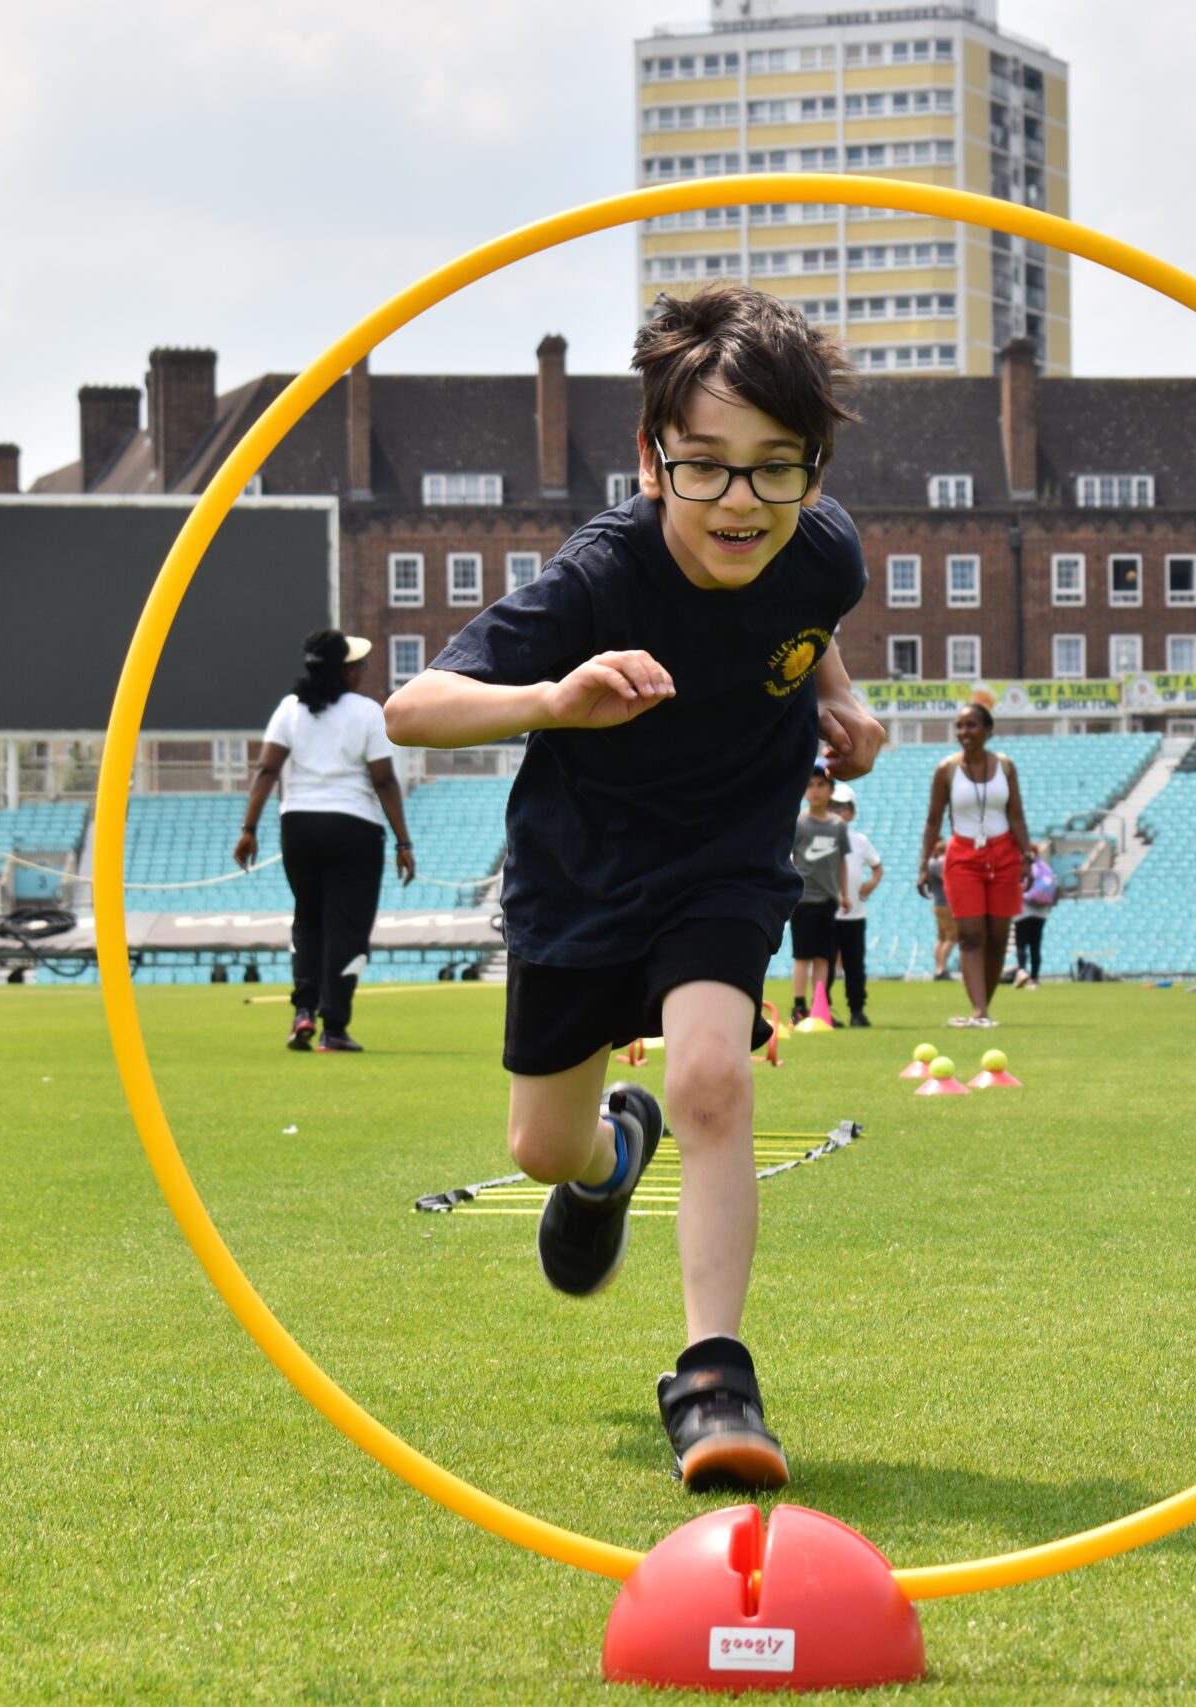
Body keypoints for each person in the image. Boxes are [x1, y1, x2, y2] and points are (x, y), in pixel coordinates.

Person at [383, 283, 884, 1492]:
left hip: (723, 863)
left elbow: (808, 624)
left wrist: (843, 705)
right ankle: (614, 1152)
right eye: (706, 467)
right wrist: (552, 699)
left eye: (777, 470)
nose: (741, 502)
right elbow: (413, 708)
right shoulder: (595, 581)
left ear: (814, 472)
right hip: (580, 877)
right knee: (540, 1149)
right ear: (653, 461)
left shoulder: (825, 549)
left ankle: (713, 1380)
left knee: (714, 1076)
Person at [233, 629, 416, 1054]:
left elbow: (266, 770)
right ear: (347, 671)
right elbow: (383, 779)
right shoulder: (367, 711)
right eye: (361, 666)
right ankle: (334, 1027)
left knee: (308, 920)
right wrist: (403, 843)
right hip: (354, 828)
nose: (364, 672)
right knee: (346, 928)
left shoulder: (290, 709)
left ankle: (303, 1012)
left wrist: (248, 829)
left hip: (298, 826)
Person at [919, 700, 1031, 1027]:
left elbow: (1017, 815)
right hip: (963, 857)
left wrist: (1026, 854)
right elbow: (932, 821)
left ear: (988, 730)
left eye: (971, 725)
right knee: (970, 936)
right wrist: (924, 865)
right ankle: (979, 1011)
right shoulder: (947, 770)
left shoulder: (1006, 766)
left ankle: (985, 1006)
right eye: (959, 726)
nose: (964, 732)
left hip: (1005, 855)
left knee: (997, 937)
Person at [788, 768, 845, 1021]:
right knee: (802, 956)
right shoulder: (798, 822)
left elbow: (841, 861)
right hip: (803, 900)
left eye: (821, 785)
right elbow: (786, 857)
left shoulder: (838, 826)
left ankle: (819, 1007)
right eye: (810, 785)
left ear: (831, 790)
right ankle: (798, 1006)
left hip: (828, 900)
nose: (815, 790)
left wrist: (843, 892)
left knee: (824, 957)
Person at [830, 782, 879, 1025]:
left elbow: (877, 866)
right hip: (826, 912)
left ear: (853, 811)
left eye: (843, 806)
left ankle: (857, 1010)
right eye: (834, 806)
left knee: (854, 965)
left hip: (855, 915)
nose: (838, 810)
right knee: (825, 966)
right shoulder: (819, 836)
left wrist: (870, 885)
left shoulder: (860, 840)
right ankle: (823, 1009)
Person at [1014, 840, 1057, 988]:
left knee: (1021, 944)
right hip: (1041, 912)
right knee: (1035, 945)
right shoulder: (1046, 868)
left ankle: (1022, 971)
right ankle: (1034, 979)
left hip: (1023, 910)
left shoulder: (1023, 867)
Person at [920, 852, 956, 981]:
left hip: (938, 903)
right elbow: (947, 879)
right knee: (952, 937)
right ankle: (942, 969)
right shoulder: (935, 865)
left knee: (941, 938)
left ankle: (938, 969)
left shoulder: (929, 864)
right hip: (945, 904)